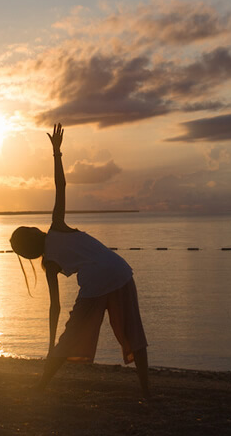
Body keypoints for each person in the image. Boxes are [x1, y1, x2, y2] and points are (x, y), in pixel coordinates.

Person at [9, 124, 150, 397]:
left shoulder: (49, 261)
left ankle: (40, 387)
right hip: (120, 269)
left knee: (69, 338)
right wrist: (57, 153)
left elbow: (55, 307)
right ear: (34, 233)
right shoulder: (57, 225)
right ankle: (146, 392)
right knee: (134, 333)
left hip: (98, 281)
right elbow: (61, 185)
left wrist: (51, 344)